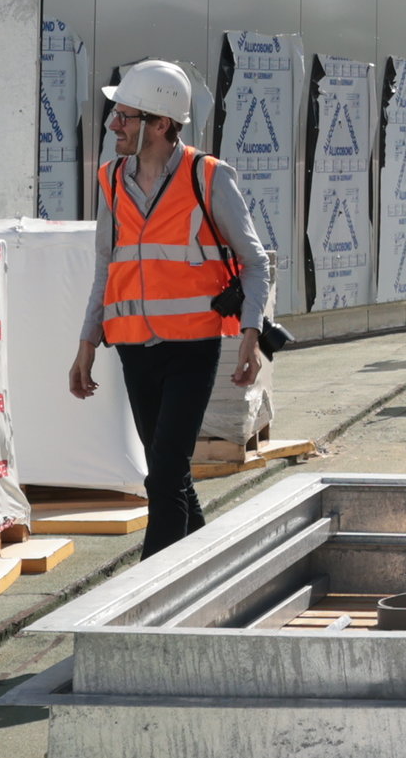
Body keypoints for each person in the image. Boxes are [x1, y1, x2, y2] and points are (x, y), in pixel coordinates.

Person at [63, 57, 270, 558]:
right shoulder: (111, 179)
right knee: (170, 471)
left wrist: (251, 334)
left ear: (159, 123)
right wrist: (86, 343)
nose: (113, 124)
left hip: (192, 350)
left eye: (125, 116)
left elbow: (254, 261)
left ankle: (147, 585)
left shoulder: (208, 177)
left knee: (164, 472)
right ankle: (207, 567)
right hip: (134, 348)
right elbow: (104, 266)